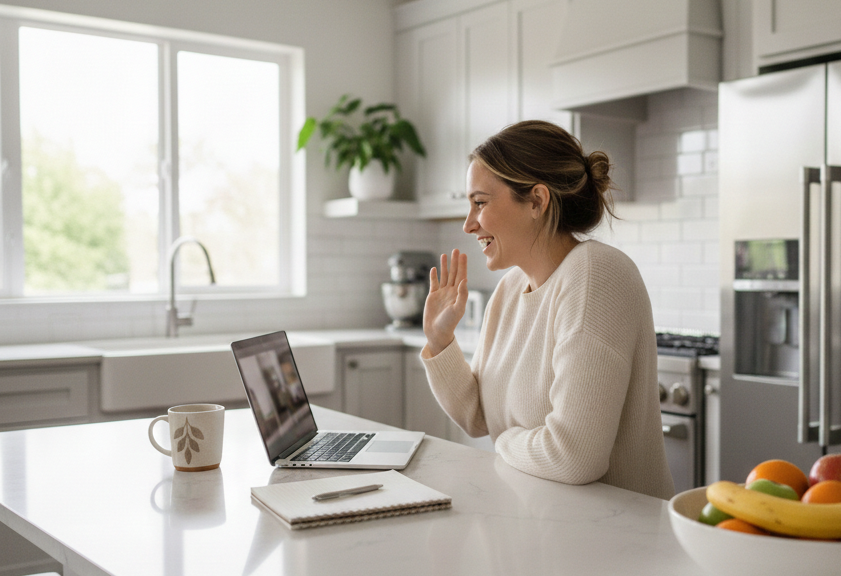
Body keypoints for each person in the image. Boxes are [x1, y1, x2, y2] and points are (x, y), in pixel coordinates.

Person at [420, 120, 675, 500]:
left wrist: (505, 442)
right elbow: (479, 419)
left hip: (618, 540)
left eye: (480, 203)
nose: (468, 224)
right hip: (547, 524)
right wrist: (440, 340)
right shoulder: (508, 290)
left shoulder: (595, 275)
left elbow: (574, 456)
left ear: (537, 201)